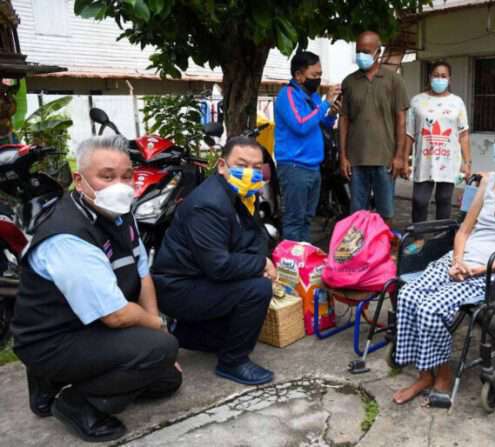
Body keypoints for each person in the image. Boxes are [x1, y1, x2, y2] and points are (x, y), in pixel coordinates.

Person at [11, 136, 181, 443]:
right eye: (107, 176)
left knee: (167, 378)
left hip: (91, 326)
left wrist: (155, 329)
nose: (120, 186)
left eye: (126, 176)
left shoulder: (120, 215)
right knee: (161, 350)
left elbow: (142, 273)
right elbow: (116, 316)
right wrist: (158, 329)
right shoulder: (68, 236)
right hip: (54, 338)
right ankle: (75, 403)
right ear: (79, 180)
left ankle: (55, 381)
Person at [392, 116, 495, 404]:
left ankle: (442, 374)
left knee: (430, 308)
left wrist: (479, 269)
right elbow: (464, 230)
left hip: (494, 271)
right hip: (461, 260)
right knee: (408, 296)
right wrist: (457, 260)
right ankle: (425, 374)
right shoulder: (488, 181)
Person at [152, 136, 276, 386]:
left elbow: (255, 236)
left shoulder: (242, 194)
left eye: (256, 167)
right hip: (178, 287)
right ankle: (233, 362)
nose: (250, 173)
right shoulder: (209, 204)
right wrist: (261, 265)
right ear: (222, 166)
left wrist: (261, 260)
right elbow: (219, 266)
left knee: (227, 329)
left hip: (200, 277)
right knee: (258, 289)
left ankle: (187, 334)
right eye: (241, 165)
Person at [339, 30, 409, 223]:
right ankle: (360, 244)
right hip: (356, 159)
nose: (361, 55)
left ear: (378, 52)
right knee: (356, 215)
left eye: (366, 51)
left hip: (385, 159)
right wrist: (343, 156)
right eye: (358, 51)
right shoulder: (349, 82)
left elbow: (401, 120)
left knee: (385, 213)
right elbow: (344, 120)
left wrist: (399, 156)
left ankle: (383, 242)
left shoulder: (394, 80)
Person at [274, 51, 341, 242]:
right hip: (295, 167)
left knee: (307, 219)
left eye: (320, 74)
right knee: (294, 220)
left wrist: (331, 114)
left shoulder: (313, 97)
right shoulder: (287, 95)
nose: (318, 79)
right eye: (314, 75)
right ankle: (291, 258)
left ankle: (302, 254)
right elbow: (301, 125)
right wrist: (325, 105)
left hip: (313, 167)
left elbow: (318, 125)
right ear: (298, 75)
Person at [405, 61, 471, 253]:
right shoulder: (417, 101)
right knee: (419, 200)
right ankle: (418, 239)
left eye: (443, 76)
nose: (439, 79)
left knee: (444, 200)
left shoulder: (457, 102)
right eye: (436, 75)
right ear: (429, 77)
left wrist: (467, 162)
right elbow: (409, 133)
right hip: (424, 160)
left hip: (449, 160)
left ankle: (440, 241)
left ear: (449, 79)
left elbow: (464, 133)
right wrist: (405, 159)